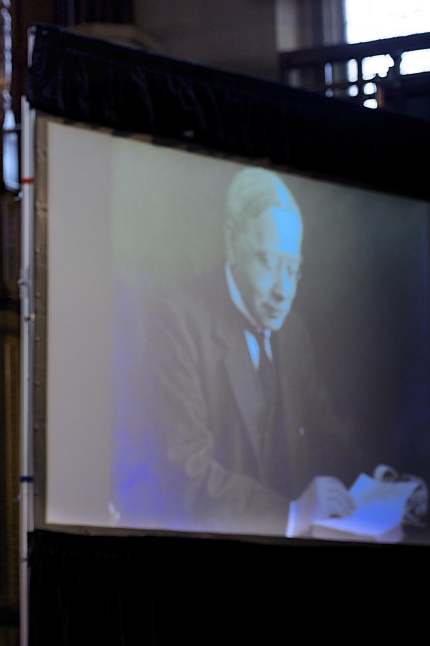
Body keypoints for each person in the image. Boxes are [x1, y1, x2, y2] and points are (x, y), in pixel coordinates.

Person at [150, 166, 364, 538]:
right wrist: (294, 513)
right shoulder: (177, 320)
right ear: (232, 242)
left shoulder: (293, 330)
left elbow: (325, 433)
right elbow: (184, 471)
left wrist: (382, 481)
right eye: (268, 262)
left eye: (292, 267)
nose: (283, 290)